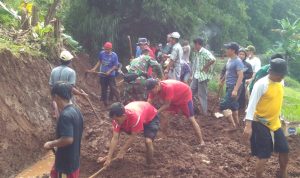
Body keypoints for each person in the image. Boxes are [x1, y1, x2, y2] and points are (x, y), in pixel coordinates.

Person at [243, 58, 289, 178]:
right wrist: (248, 126)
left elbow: (276, 100)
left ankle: (283, 174)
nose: (283, 77)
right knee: (264, 154)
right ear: (273, 72)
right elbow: (251, 106)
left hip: (275, 122)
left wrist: (279, 115)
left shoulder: (281, 82)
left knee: (284, 149)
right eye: (281, 75)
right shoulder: (261, 84)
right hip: (260, 122)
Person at [146, 79, 205, 145]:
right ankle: (164, 136)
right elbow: (148, 103)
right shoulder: (153, 90)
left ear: (157, 86)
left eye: (151, 90)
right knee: (164, 114)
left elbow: (167, 104)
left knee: (191, 119)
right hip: (174, 98)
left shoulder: (168, 87)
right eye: (150, 91)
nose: (151, 92)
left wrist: (156, 112)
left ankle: (201, 141)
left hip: (184, 96)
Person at [100, 101, 160, 166]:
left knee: (148, 141)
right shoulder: (116, 119)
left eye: (117, 120)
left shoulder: (135, 117)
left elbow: (133, 137)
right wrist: (109, 157)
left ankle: (149, 164)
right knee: (118, 131)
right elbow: (115, 138)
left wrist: (123, 150)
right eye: (114, 120)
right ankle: (112, 154)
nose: (116, 122)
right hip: (140, 113)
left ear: (123, 116)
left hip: (151, 117)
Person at [44, 82, 84, 178]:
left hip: (65, 165)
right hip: (73, 160)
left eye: (53, 98)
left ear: (56, 96)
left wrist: (51, 143)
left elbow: (68, 139)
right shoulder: (77, 111)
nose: (54, 100)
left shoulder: (65, 115)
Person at [49, 50, 87, 118]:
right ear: (70, 61)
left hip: (55, 97)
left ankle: (55, 113)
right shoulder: (71, 72)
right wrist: (81, 94)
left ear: (60, 60)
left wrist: (53, 98)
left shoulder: (54, 70)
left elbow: (51, 85)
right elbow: (71, 88)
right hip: (65, 98)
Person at [219, 42, 244, 128]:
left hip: (233, 86)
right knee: (233, 106)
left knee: (223, 105)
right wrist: (222, 80)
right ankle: (238, 125)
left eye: (228, 49)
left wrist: (235, 90)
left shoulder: (238, 61)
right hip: (229, 85)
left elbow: (241, 76)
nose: (226, 50)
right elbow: (227, 72)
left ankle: (232, 126)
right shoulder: (230, 59)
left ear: (233, 50)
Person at [88, 42, 120, 106]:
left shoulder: (114, 55)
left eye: (107, 49)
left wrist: (109, 71)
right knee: (103, 88)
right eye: (105, 49)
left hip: (111, 75)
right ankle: (105, 101)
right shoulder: (102, 53)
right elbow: (99, 61)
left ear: (111, 49)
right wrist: (94, 68)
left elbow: (115, 66)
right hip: (102, 74)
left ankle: (119, 100)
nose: (105, 50)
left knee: (113, 87)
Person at [190, 37, 216, 116]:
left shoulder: (205, 52)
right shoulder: (197, 52)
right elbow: (196, 64)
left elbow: (213, 59)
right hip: (196, 75)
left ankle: (204, 113)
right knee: (190, 92)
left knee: (202, 95)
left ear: (198, 44)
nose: (194, 46)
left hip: (202, 76)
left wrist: (206, 67)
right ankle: (195, 108)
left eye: (194, 44)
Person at [237, 48, 253, 113]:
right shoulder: (233, 62)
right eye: (240, 54)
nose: (241, 56)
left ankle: (240, 111)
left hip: (242, 83)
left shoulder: (247, 65)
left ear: (245, 56)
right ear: (237, 55)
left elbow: (250, 74)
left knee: (241, 97)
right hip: (232, 83)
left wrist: (242, 76)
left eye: (243, 54)